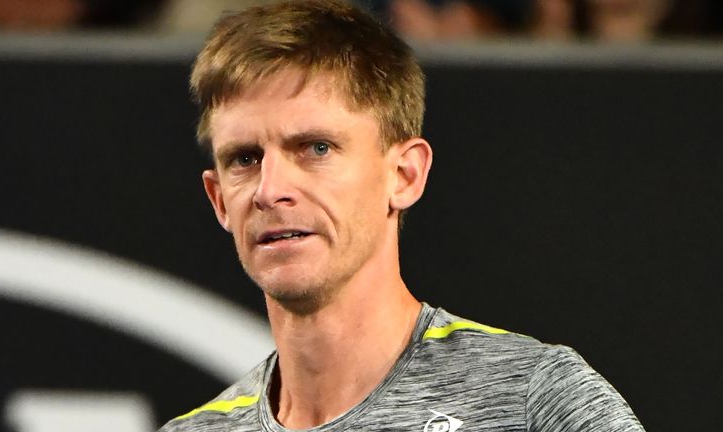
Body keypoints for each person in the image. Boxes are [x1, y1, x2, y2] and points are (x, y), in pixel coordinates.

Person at [159, 0, 645, 431]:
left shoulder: (534, 399)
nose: (270, 190)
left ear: (405, 175)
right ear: (219, 199)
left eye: (316, 148)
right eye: (245, 158)